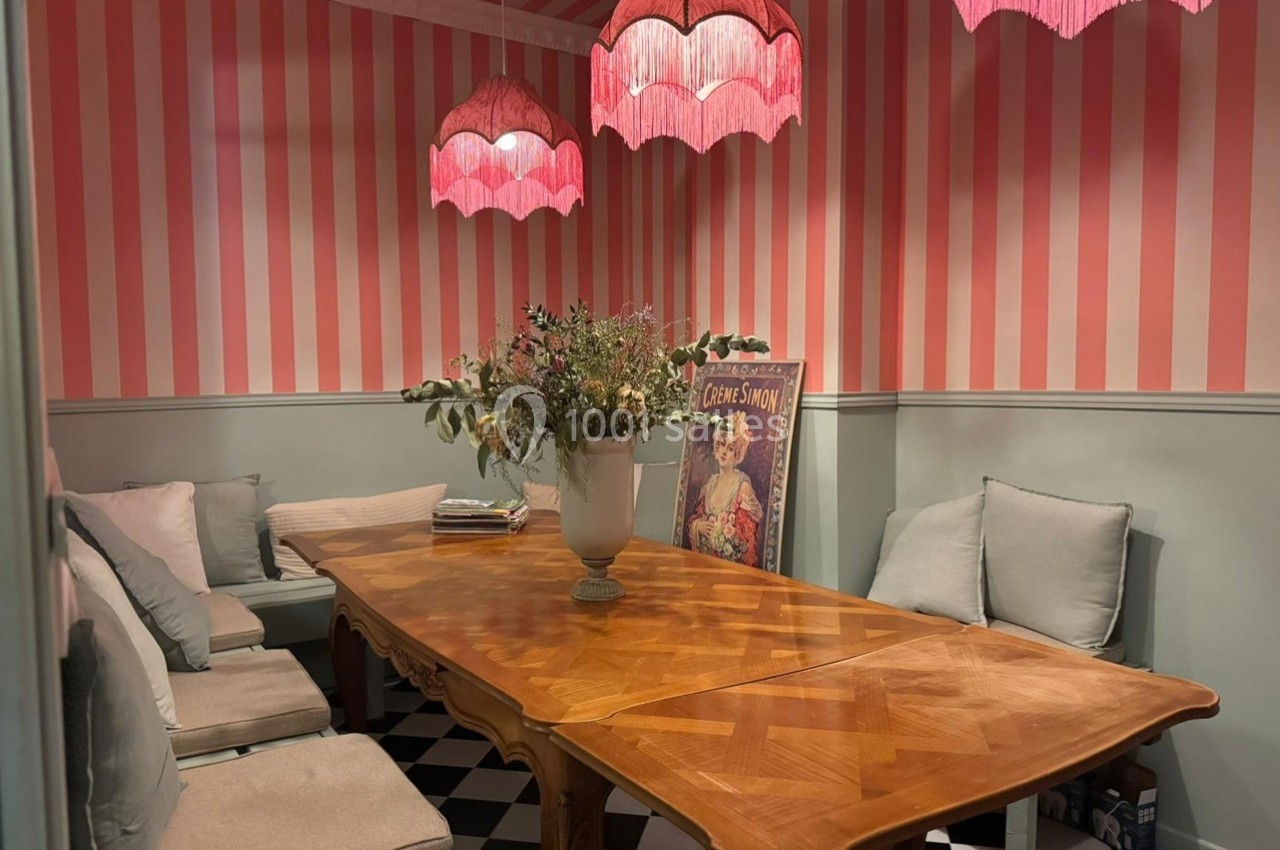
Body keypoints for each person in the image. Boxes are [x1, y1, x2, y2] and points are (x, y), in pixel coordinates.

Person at [686, 412, 765, 567]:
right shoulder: (710, 484)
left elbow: (747, 543)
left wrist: (722, 535)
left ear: (737, 454)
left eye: (730, 448)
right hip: (704, 564)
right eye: (722, 444)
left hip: (731, 571)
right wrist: (699, 527)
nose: (723, 452)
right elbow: (693, 519)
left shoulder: (742, 487)